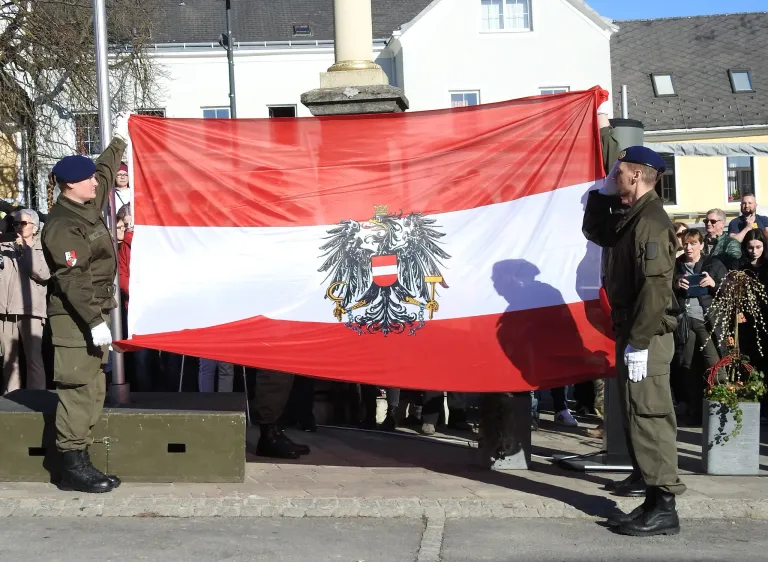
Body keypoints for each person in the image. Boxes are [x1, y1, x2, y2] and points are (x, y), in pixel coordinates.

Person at [583, 145, 685, 537]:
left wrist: (640, 342)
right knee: (636, 415)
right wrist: (601, 195)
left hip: (648, 335)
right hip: (633, 330)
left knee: (650, 417)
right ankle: (651, 498)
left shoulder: (651, 222)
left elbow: (656, 289)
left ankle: (665, 507)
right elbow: (597, 232)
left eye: (619, 172)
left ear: (638, 175)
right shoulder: (632, 216)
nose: (615, 176)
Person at [41, 112, 132, 493]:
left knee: (94, 389)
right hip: (75, 319)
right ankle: (72, 465)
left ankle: (82, 458)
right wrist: (96, 322)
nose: (98, 181)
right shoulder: (64, 224)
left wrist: (121, 141)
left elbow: (106, 171)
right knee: (78, 389)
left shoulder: (85, 206)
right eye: (90, 179)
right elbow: (72, 278)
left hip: (92, 316)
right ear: (71, 185)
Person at [673, 229, 726, 425]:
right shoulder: (676, 266)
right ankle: (695, 413)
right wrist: (676, 284)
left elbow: (728, 288)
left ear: (702, 245)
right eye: (686, 243)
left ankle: (719, 413)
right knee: (687, 367)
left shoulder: (713, 263)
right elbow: (665, 288)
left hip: (707, 321)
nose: (689, 247)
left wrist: (714, 283)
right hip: (685, 322)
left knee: (715, 366)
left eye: (693, 243)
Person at [0, 209, 50, 393]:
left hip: (31, 310)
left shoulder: (41, 246)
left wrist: (26, 249)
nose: (18, 227)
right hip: (5, 311)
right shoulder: (5, 245)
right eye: (15, 224)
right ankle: (12, 400)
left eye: (23, 223)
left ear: (35, 227)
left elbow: (43, 274)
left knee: (34, 359)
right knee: (8, 360)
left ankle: (36, 398)